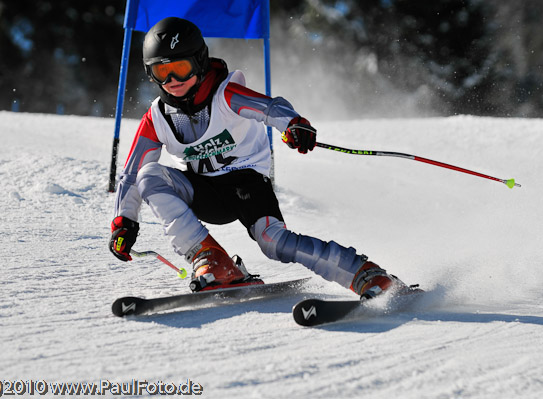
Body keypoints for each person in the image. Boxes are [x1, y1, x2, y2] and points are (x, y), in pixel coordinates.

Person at [109, 17, 408, 298]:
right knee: (148, 175)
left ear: (199, 62)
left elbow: (270, 107)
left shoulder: (224, 95)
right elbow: (131, 174)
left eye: (181, 68)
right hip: (204, 192)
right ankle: (212, 260)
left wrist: (294, 124)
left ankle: (365, 274)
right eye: (162, 71)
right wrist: (124, 222)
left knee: (274, 242)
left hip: (247, 186)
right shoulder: (158, 118)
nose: (173, 79)